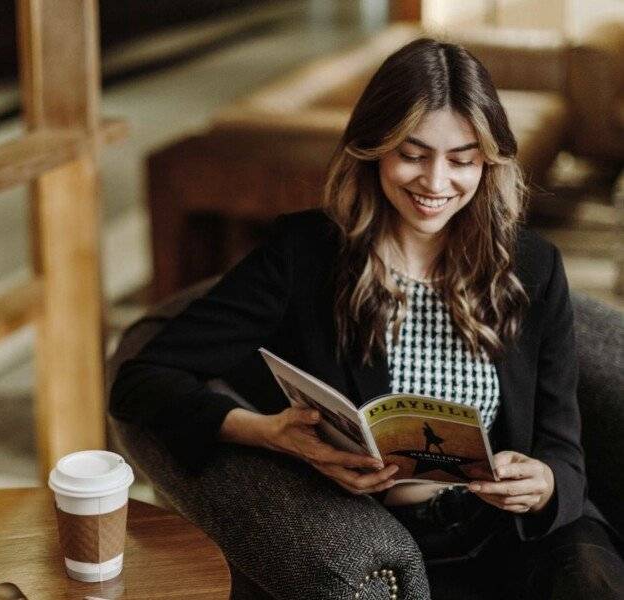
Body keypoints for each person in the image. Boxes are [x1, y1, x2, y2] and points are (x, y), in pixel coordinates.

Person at [110, 37, 624, 598]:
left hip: (522, 538)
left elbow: (562, 446)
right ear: (373, 146)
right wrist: (271, 434)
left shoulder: (532, 265)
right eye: (412, 153)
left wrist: (544, 483)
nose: (435, 183)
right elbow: (142, 379)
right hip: (393, 543)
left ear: (488, 162)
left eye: (461, 160)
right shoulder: (304, 255)